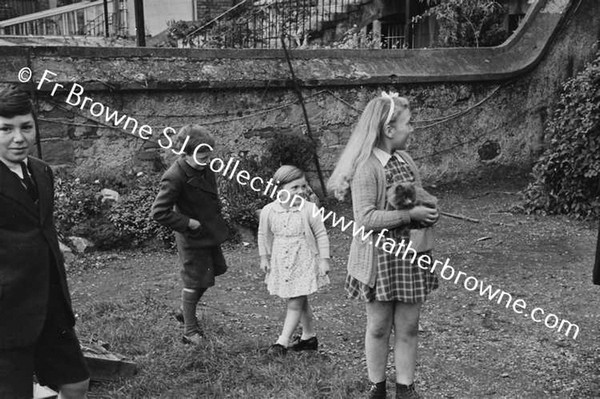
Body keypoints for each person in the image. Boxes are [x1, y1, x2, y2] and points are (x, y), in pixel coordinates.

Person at [327, 92, 439, 399]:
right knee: (378, 327)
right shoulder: (367, 167)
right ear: (389, 129)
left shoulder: (405, 160)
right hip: (380, 261)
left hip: (411, 257)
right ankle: (377, 387)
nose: (412, 128)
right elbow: (364, 219)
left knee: (410, 327)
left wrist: (429, 209)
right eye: (408, 123)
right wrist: (408, 214)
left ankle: (405, 387)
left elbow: (417, 196)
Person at [0, 83, 90, 398]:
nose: (18, 137)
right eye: (5, 129)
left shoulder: (41, 171)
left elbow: (43, 230)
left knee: (76, 384)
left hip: (50, 304)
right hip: (7, 315)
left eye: (26, 127)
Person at [151, 125, 229, 345]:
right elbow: (159, 213)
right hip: (192, 237)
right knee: (195, 281)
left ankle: (186, 310)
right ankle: (190, 331)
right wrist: (188, 223)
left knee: (210, 274)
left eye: (208, 155)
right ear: (185, 153)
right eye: (201, 156)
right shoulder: (174, 177)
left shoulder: (204, 167)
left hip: (209, 231)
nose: (206, 159)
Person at [257, 165, 331, 356]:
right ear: (279, 189)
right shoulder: (269, 211)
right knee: (298, 295)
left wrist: (323, 259)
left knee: (295, 300)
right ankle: (309, 336)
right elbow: (263, 234)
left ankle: (282, 342)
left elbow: (321, 234)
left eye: (303, 186)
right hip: (281, 259)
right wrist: (264, 257)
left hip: (303, 258)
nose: (301, 191)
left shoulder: (309, 209)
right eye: (294, 187)